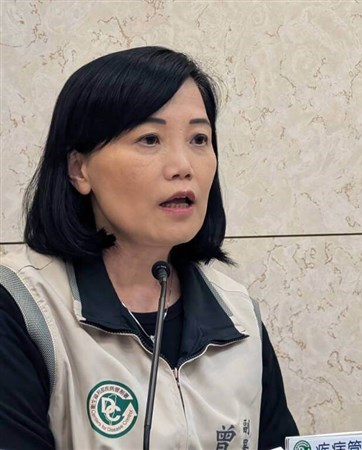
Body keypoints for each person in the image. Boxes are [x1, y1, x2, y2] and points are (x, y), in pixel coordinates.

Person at [0, 47, 298, 449]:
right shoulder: (21, 307)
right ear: (79, 169)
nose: (182, 165)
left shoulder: (238, 312)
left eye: (199, 138)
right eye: (150, 139)